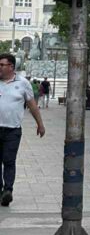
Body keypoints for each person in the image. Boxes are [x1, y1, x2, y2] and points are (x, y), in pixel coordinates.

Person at [0, 53, 45, 206]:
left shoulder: (23, 83)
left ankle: (8, 190)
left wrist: (40, 124)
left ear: (11, 67)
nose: (0, 68)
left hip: (13, 130)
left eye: (2, 65)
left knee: (9, 160)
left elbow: (32, 105)